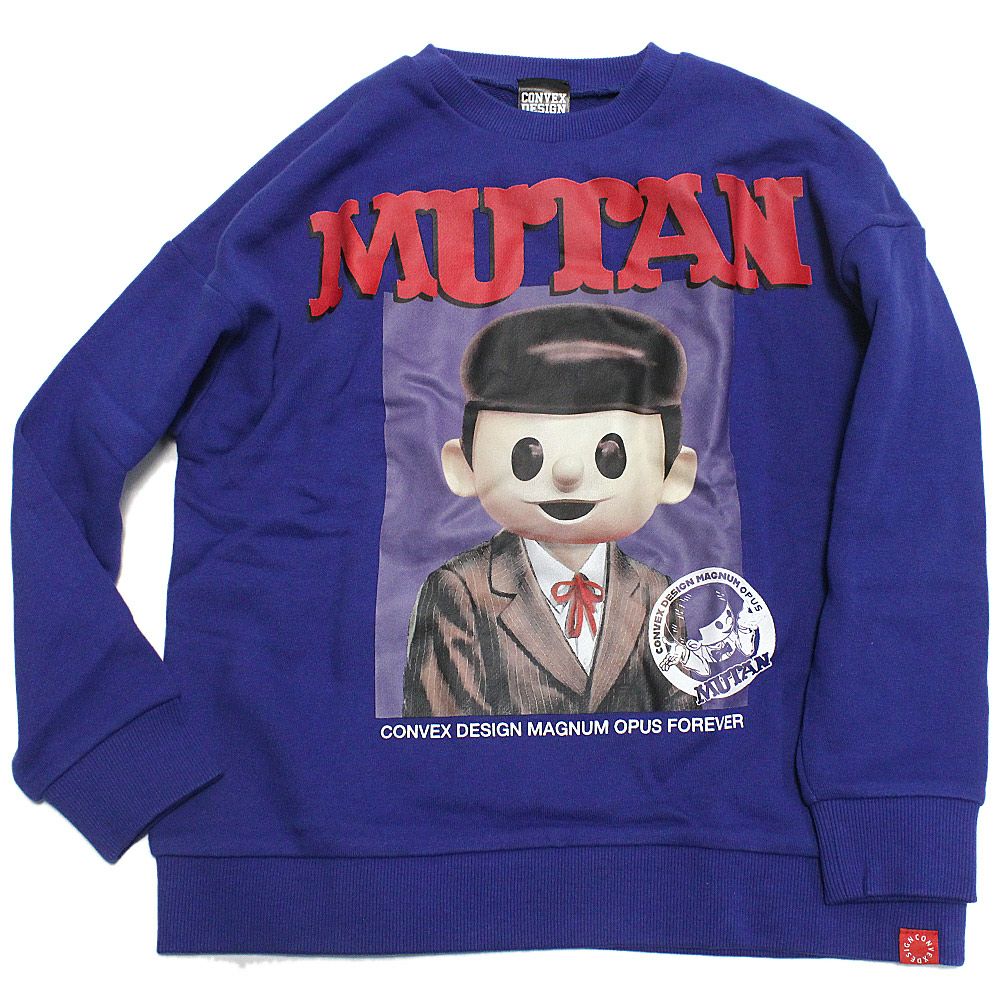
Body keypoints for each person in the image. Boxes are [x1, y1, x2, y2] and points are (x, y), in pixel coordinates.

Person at [403, 303, 699, 716]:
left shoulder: (655, 593)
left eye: (609, 455)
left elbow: (684, 720)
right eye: (529, 454)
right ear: (463, 467)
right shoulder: (460, 591)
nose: (567, 473)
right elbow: (442, 729)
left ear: (675, 475)